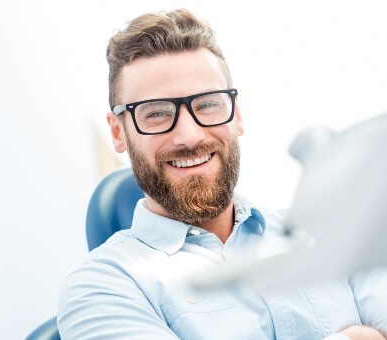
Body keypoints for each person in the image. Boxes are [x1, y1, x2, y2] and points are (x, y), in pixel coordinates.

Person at [57, 9, 387, 339]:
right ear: (118, 133)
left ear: (236, 115)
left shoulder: (331, 238)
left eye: (208, 104)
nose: (190, 135)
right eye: (156, 113)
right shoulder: (100, 287)